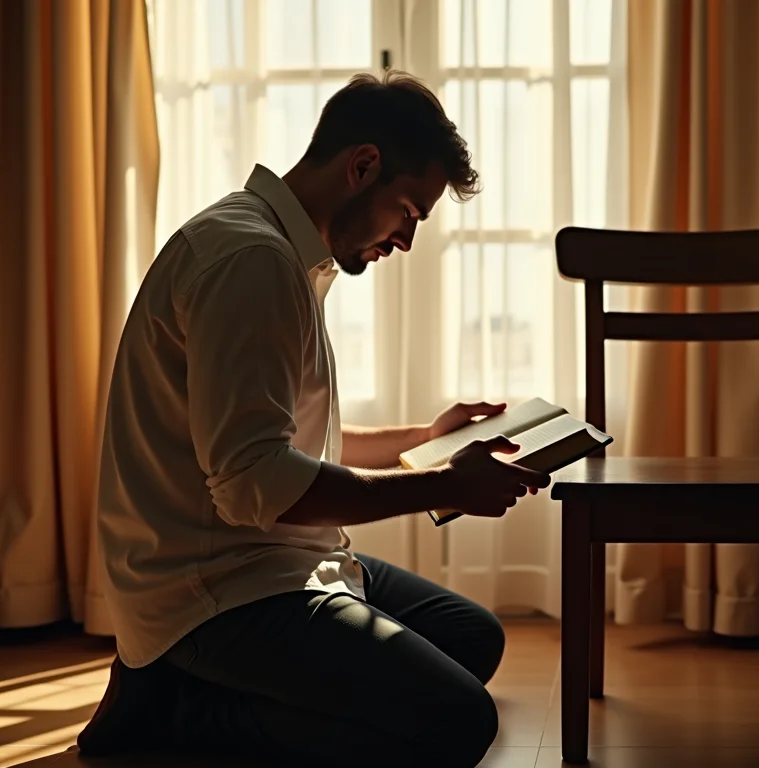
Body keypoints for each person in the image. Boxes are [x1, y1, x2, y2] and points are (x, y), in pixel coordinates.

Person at [76, 70, 550, 768]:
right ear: (363, 166)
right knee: (455, 722)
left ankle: (222, 684)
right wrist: (445, 486)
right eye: (410, 213)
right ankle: (180, 705)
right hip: (217, 590)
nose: (408, 241)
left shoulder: (280, 254)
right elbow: (253, 484)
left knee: (471, 637)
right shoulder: (251, 262)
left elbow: (284, 443)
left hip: (277, 558)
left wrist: (423, 440)